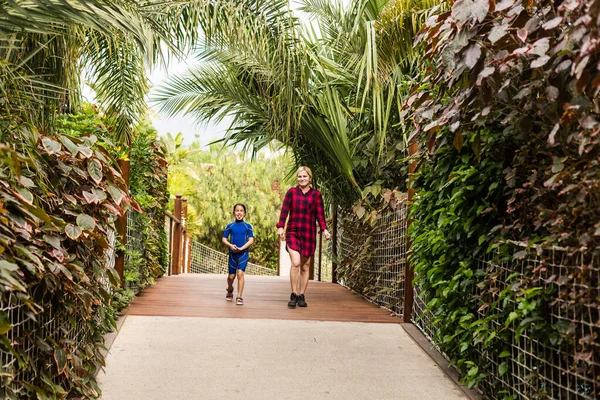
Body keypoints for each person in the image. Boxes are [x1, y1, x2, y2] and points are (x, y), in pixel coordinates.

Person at [277, 166, 330, 308]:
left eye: (304, 176)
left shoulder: (316, 195)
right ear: (297, 178)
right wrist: (281, 227)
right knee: (296, 263)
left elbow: (320, 214)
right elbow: (284, 211)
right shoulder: (291, 193)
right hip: (293, 231)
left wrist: (324, 229)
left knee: (305, 266)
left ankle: (301, 295)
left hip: (308, 232)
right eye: (300, 177)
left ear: (310, 178)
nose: (302, 179)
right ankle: (293, 293)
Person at [222, 203, 254, 305]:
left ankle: (239, 296)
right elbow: (224, 239)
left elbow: (251, 240)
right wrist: (231, 246)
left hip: (243, 254)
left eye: (241, 211)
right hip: (232, 254)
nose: (239, 213)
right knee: (231, 277)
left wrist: (242, 248)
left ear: (244, 213)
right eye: (237, 210)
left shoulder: (247, 226)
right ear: (234, 212)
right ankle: (230, 289)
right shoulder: (230, 226)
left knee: (240, 273)